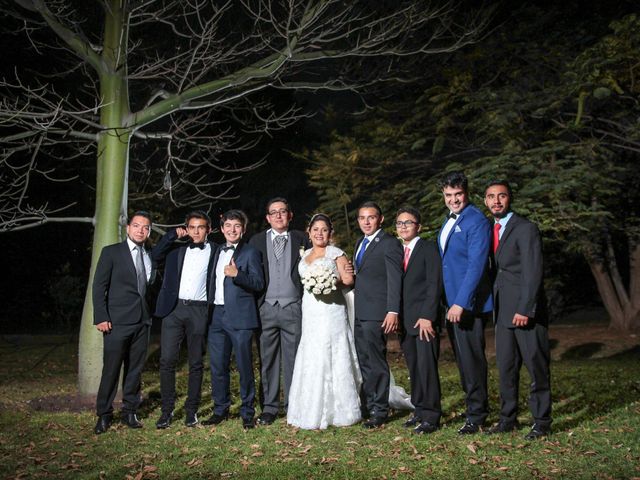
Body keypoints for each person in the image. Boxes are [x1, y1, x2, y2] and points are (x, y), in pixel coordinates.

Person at [483, 181, 552, 440]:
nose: (496, 201)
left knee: (536, 367)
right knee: (506, 368)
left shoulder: (526, 228)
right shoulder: (489, 229)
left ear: (510, 198)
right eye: (491, 197)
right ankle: (507, 419)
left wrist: (526, 308)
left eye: (501, 196)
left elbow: (533, 272)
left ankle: (542, 421)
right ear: (486, 201)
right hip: (502, 311)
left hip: (526, 311)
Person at [287, 214, 361, 429]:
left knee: (332, 352)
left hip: (331, 311)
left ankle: (340, 410)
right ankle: (308, 408)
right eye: (315, 229)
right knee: (312, 353)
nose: (320, 233)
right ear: (309, 232)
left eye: (324, 230)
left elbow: (348, 280)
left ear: (330, 233)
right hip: (310, 311)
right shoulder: (306, 254)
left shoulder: (336, 254)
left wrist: (329, 282)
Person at [438, 171, 493, 434]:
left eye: (458, 194)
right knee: (463, 360)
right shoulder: (449, 219)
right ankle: (473, 408)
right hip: (451, 304)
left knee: (472, 360)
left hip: (467, 305)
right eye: (448, 195)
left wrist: (461, 302)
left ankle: (478, 415)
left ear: (466, 193)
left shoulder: (476, 220)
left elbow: (477, 265)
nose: (453, 199)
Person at [249, 197, 310, 426]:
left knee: (294, 359)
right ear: (267, 218)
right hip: (266, 308)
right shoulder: (256, 241)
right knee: (268, 359)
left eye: (282, 211)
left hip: (293, 307)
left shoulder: (302, 239)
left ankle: (294, 405)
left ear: (290, 215)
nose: (278, 216)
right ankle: (270, 407)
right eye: (273, 212)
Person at [92, 211, 154, 434]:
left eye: (145, 227)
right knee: (111, 369)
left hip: (142, 322)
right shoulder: (112, 253)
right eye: (137, 226)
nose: (141, 230)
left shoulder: (148, 255)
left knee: (135, 370)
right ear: (128, 228)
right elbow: (99, 286)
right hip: (116, 322)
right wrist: (101, 316)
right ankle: (104, 414)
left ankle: (130, 411)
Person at [152, 211, 215, 429]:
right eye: (192, 227)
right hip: (174, 309)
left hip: (199, 310)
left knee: (196, 362)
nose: (196, 231)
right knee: (167, 360)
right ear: (186, 229)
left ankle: (191, 411)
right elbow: (153, 256)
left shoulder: (215, 251)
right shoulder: (175, 250)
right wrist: (170, 236)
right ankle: (167, 411)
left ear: (208, 229)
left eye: (201, 227)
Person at [203, 209, 264, 430]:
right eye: (228, 226)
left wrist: (238, 275)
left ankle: (247, 411)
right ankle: (220, 409)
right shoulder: (216, 251)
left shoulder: (250, 253)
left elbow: (258, 283)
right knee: (218, 366)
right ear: (222, 229)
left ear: (243, 229)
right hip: (216, 316)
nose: (232, 230)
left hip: (240, 317)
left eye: (236, 226)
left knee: (244, 366)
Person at [353, 201, 403, 428]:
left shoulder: (389, 243)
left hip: (377, 313)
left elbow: (395, 279)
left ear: (380, 219)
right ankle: (369, 404)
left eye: (371, 217)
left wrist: (393, 310)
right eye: (362, 218)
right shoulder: (359, 243)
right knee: (364, 361)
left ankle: (380, 410)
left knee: (376, 362)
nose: (366, 222)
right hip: (360, 311)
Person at [396, 207, 443, 434]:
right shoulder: (396, 251)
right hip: (405, 321)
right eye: (400, 223)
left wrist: (428, 316)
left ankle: (431, 417)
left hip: (424, 320)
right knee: (414, 368)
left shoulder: (428, 248)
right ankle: (420, 410)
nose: (403, 226)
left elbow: (434, 284)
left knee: (427, 368)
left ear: (419, 227)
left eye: (408, 222)